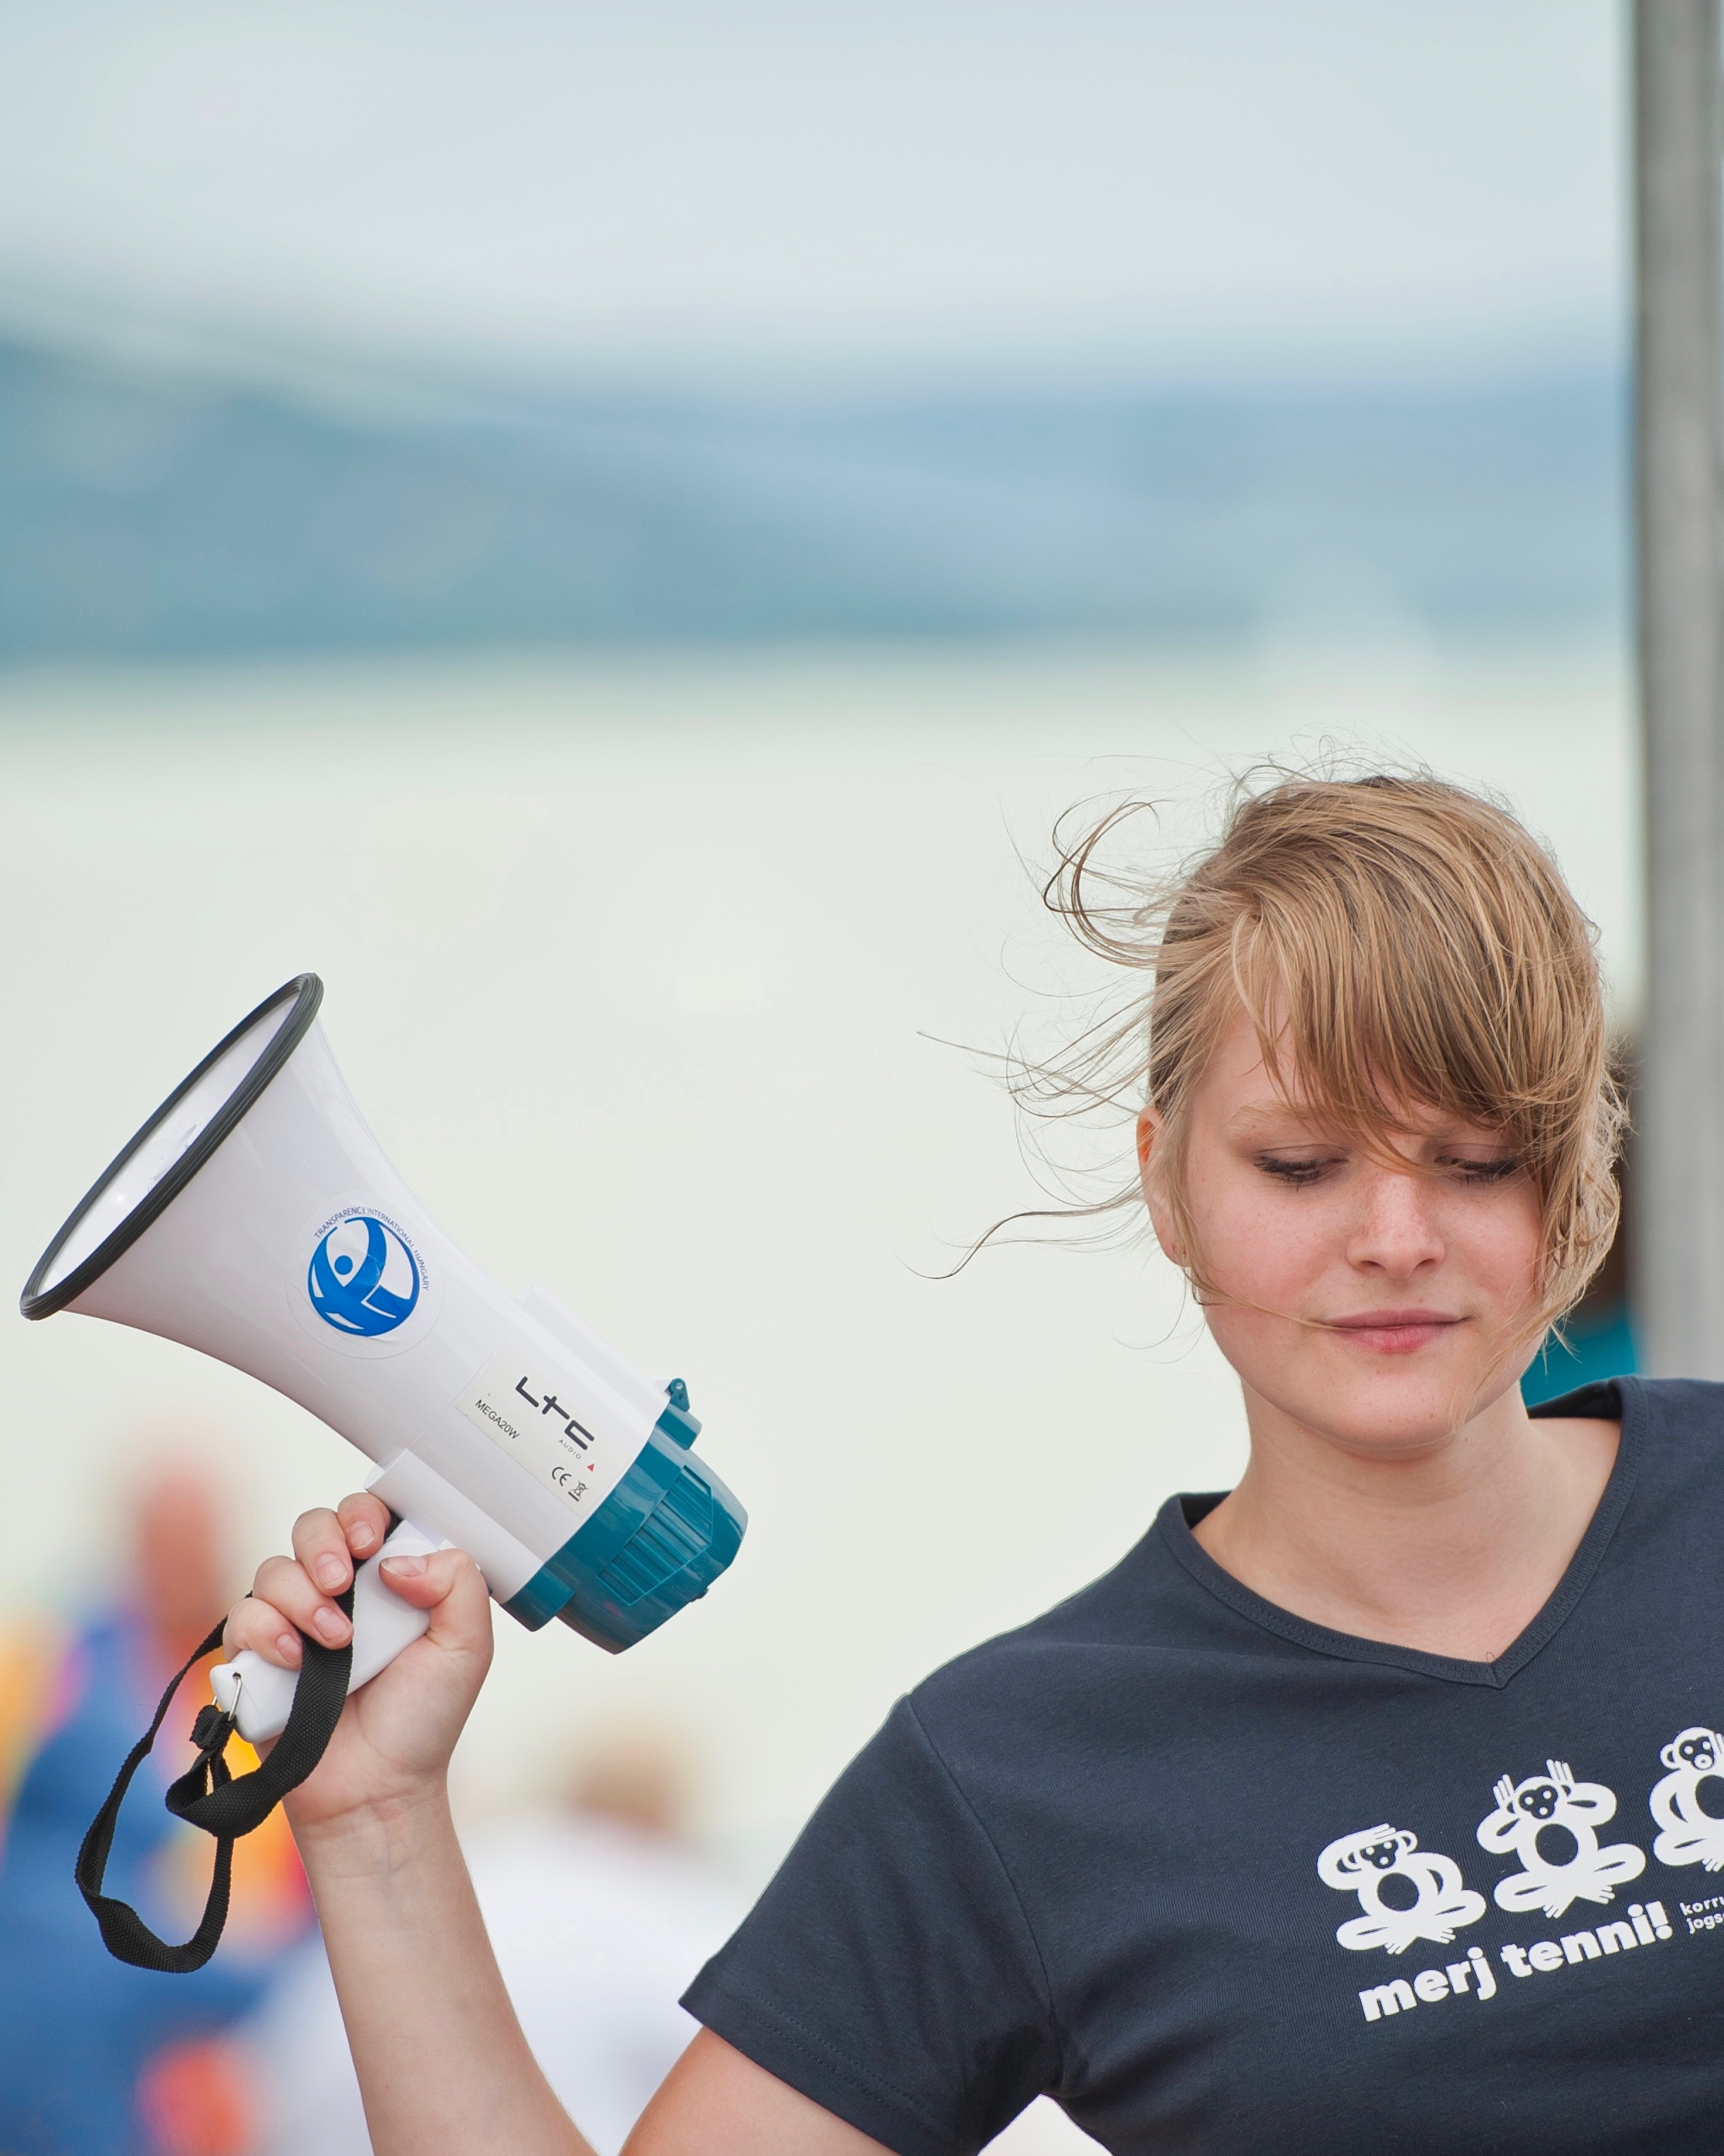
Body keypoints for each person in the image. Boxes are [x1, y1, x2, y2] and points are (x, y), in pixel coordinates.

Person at [220, 771, 1711, 2155]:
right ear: (1167, 1182)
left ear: (1577, 1170)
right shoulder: (1009, 1775)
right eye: (1301, 1163)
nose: (1394, 1237)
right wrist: (374, 1820)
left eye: (1471, 1158)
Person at [0, 1463, 310, 2156]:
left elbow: (294, 1893)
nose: (176, 1563)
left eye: (193, 1542)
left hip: (221, 2023)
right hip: (95, 1985)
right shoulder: (55, 1657)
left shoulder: (262, 1676)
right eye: (161, 1540)